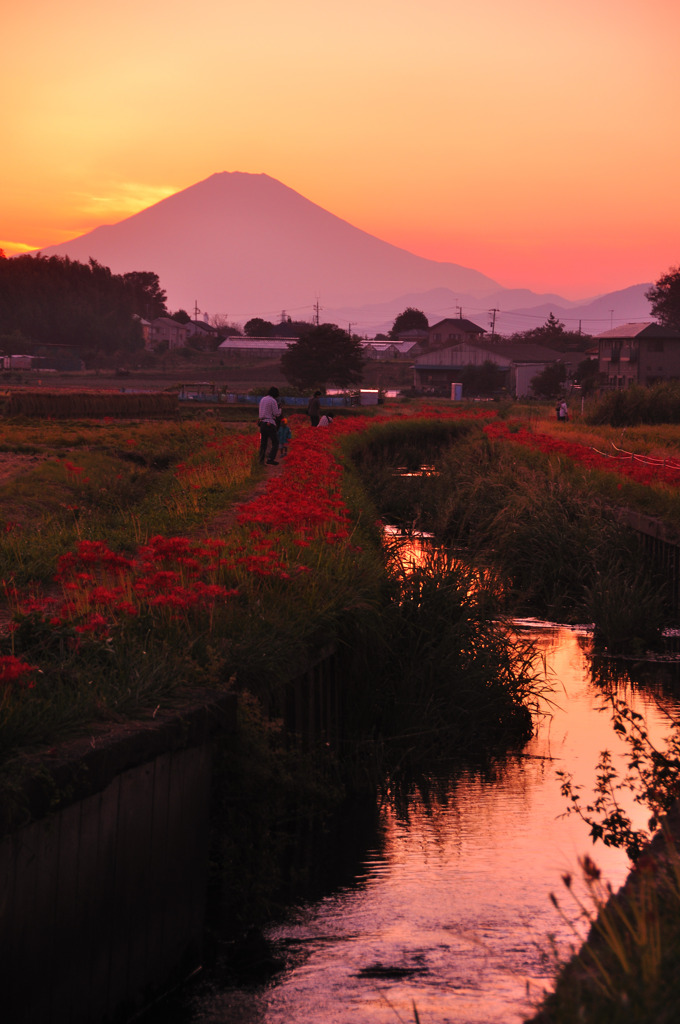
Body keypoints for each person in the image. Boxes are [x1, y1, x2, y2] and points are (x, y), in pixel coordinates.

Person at [258, 386, 281, 465]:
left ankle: (261, 461)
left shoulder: (262, 399)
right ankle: (270, 458)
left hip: (262, 423)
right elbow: (276, 414)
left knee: (263, 443)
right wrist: (280, 408)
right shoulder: (273, 401)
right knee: (275, 442)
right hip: (270, 423)